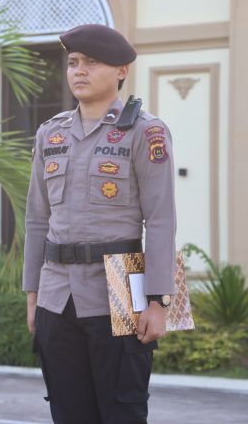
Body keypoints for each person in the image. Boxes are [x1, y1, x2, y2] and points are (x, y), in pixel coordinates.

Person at [23, 24, 176, 424]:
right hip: (57, 294)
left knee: (122, 413)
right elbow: (37, 220)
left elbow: (161, 220)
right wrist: (32, 296)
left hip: (121, 286)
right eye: (73, 62)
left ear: (122, 70)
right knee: (68, 413)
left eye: (91, 62)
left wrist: (159, 302)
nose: (79, 70)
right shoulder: (50, 134)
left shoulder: (145, 132)